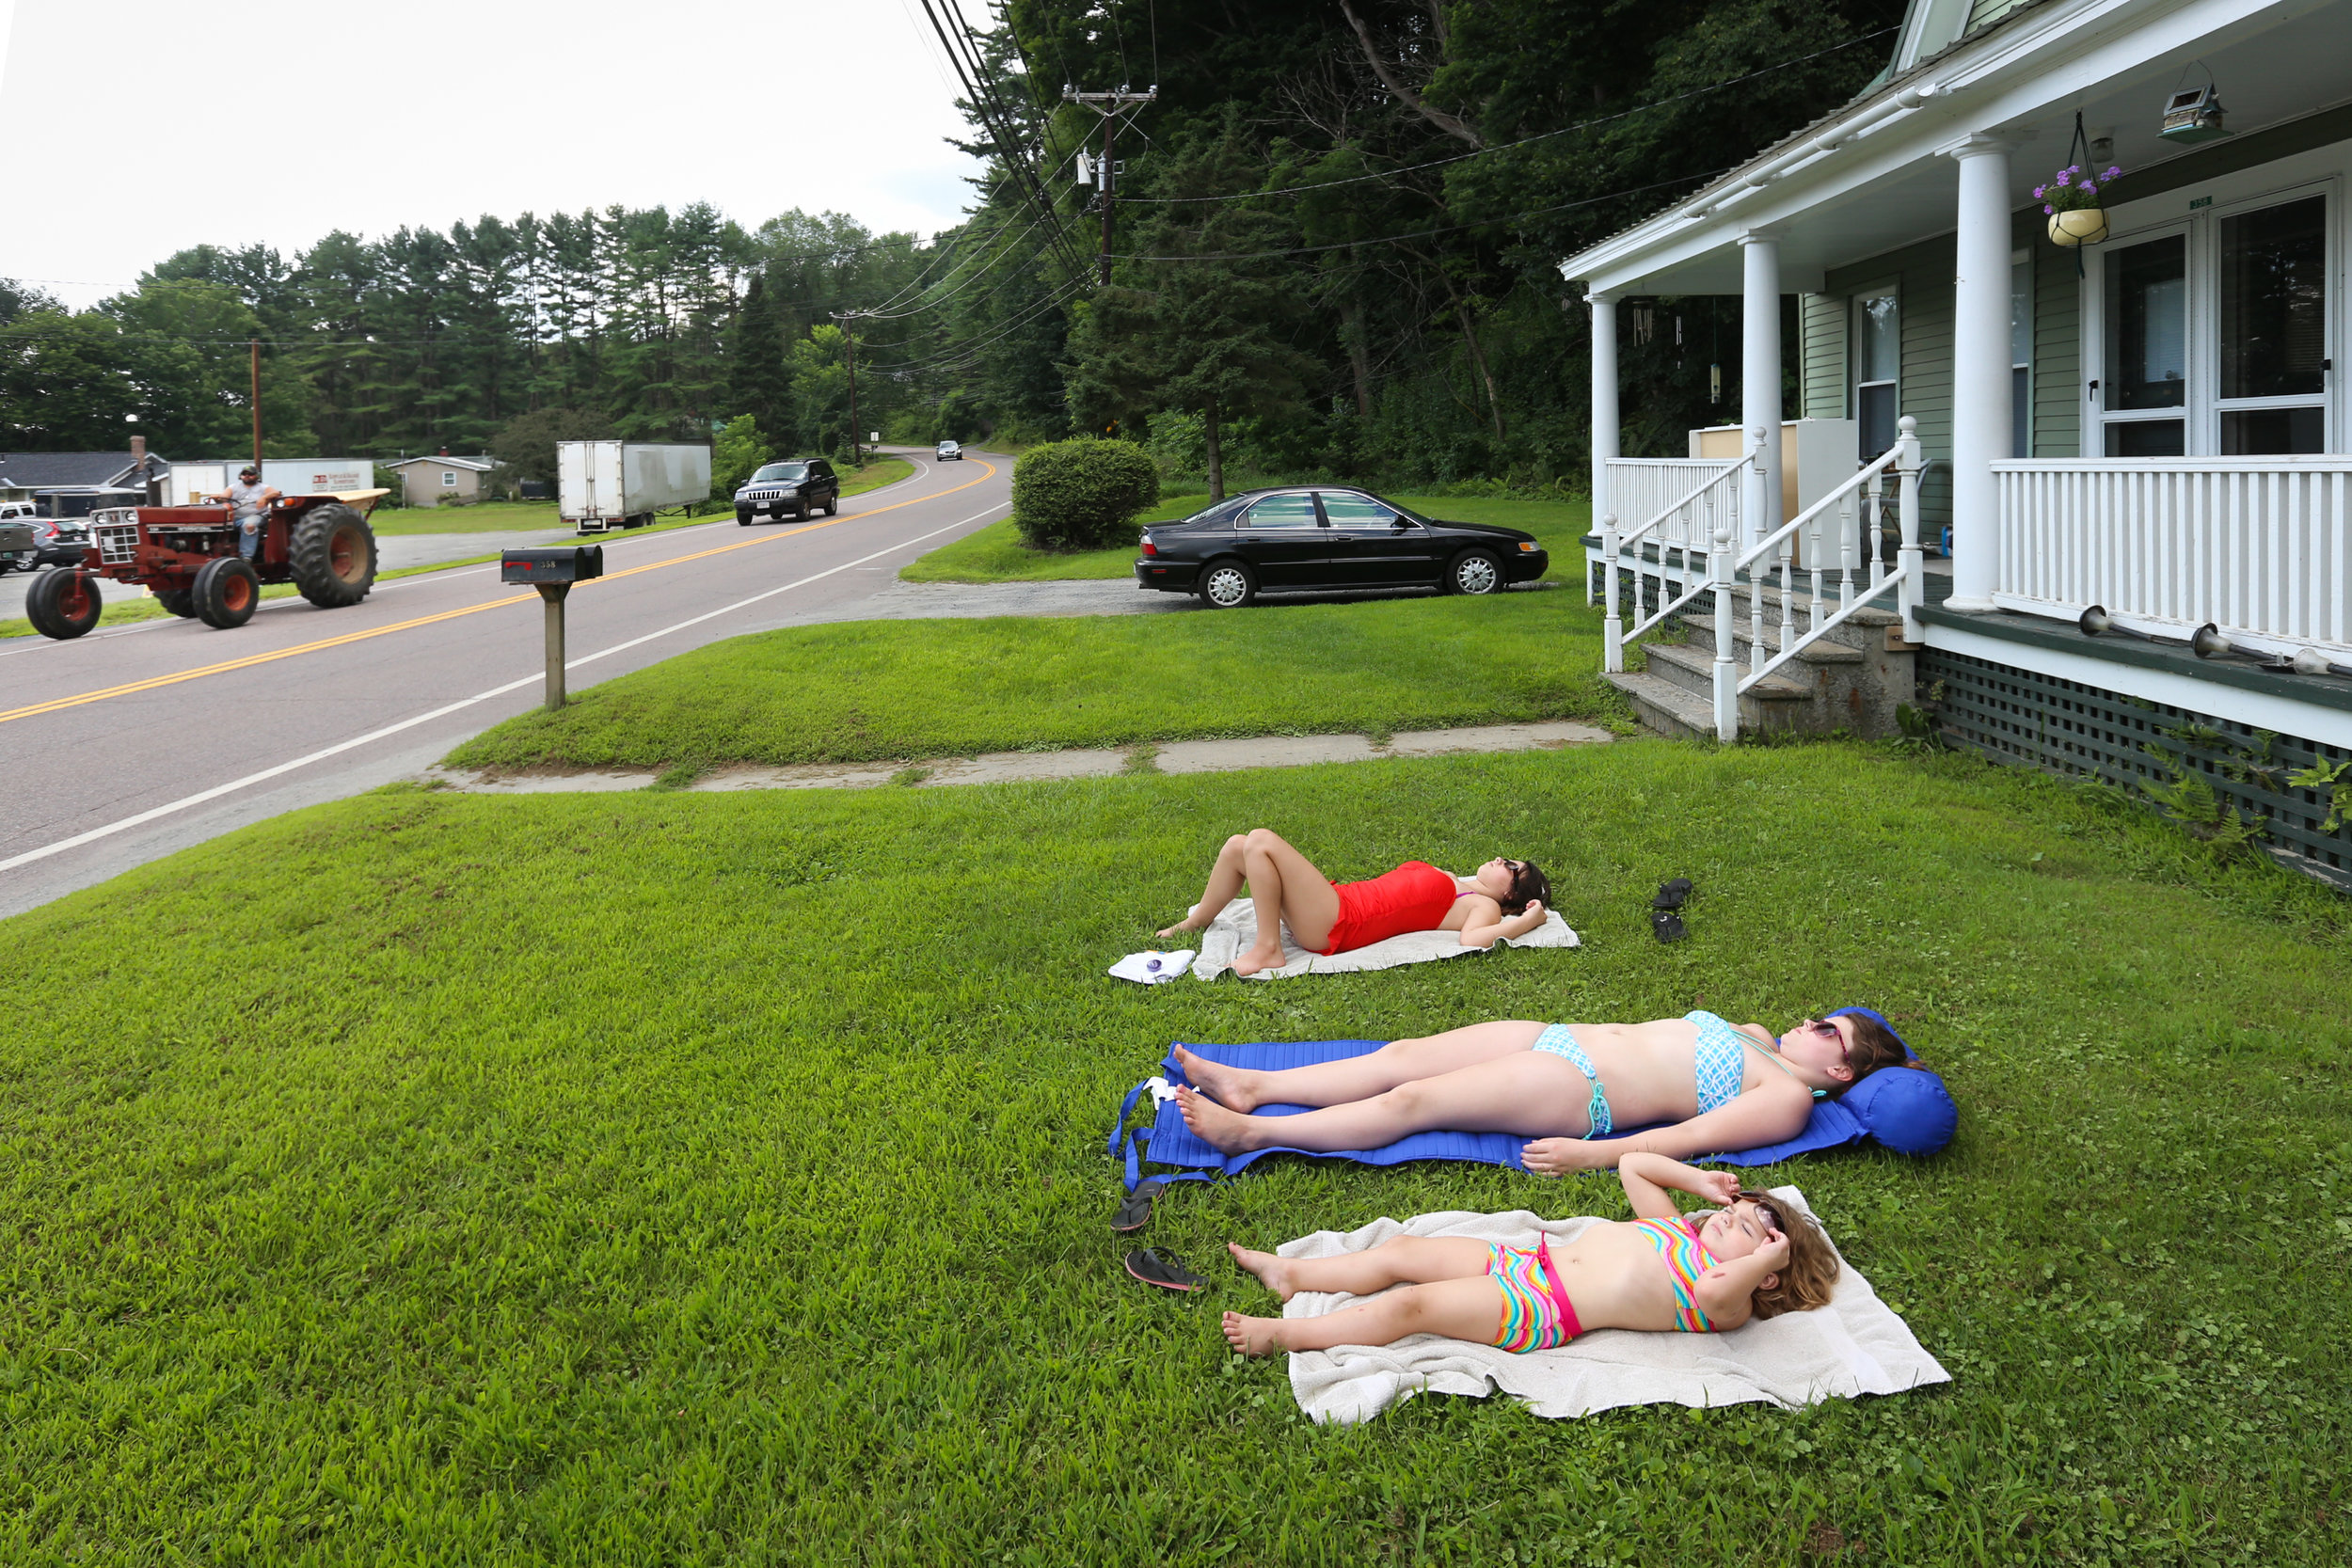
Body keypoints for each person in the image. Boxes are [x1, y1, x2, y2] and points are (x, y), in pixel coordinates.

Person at [1220, 1151, 1838, 1355]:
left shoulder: (1721, 1297)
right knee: (1406, 1249)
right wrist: (1698, 1180)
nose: (1725, 1222)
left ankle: (1286, 1334)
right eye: (1730, 1213)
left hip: (1540, 1306)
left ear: (1766, 1274)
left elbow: (1717, 1293)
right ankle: (1292, 1271)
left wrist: (1766, 1259)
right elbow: (1632, 1165)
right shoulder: (1677, 1231)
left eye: (1742, 1230)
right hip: (1526, 1263)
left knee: (1414, 1304)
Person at [1173, 1007, 1913, 1169]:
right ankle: (1252, 1082)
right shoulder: (1759, 1042)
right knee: (1402, 1053)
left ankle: (1255, 1131)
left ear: (1841, 1070)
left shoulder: (1786, 1097)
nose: (1808, 1021)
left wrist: (1597, 1157)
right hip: (1556, 1033)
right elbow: (1746, 1030)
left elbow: (1690, 1141)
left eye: (1827, 1029)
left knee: (1412, 1105)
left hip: (1580, 1086)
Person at [1155, 828, 1551, 977]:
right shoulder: (1458, 880)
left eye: (1511, 867)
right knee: (1238, 846)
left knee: (1260, 840)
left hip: (1340, 922)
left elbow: (1475, 940)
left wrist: (1528, 921)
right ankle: (1197, 922)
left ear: (1511, 894)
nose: (1502, 860)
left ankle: (1269, 948)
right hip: (1338, 902)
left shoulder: (1482, 906)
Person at [210, 466, 282, 562]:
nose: (247, 476)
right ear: (241, 476)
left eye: (250, 474)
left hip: (256, 515)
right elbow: (224, 498)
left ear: (257, 476)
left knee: (249, 525)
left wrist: (264, 497)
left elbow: (276, 493)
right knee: (215, 525)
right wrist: (217, 498)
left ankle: (246, 557)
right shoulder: (233, 487)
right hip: (235, 517)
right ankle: (214, 552)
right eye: (244, 474)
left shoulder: (263, 487)